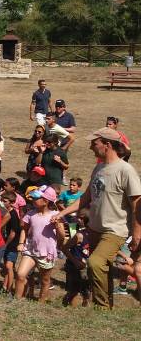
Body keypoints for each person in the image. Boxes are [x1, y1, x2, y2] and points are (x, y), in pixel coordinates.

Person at [52, 127, 141, 309]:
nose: (91, 147)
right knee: (103, 269)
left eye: (95, 143)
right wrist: (62, 213)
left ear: (107, 145)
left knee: (95, 264)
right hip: (94, 228)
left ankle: (101, 307)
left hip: (115, 230)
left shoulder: (126, 170)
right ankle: (107, 307)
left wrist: (137, 234)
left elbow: (137, 205)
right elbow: (86, 197)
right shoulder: (99, 168)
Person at [14, 185, 65, 303]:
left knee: (44, 280)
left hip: (46, 252)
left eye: (36, 198)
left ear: (45, 201)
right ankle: (17, 299)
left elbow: (62, 236)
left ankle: (41, 302)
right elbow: (24, 230)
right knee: (21, 274)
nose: (33, 200)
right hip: (31, 250)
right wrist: (21, 243)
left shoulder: (55, 215)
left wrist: (57, 224)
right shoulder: (30, 213)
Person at [62, 209, 90, 307]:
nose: (78, 220)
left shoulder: (93, 232)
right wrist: (75, 261)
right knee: (73, 291)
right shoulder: (76, 232)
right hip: (74, 265)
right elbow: (64, 247)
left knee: (87, 291)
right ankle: (67, 307)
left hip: (87, 265)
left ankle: (84, 308)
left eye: (81, 218)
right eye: (77, 217)